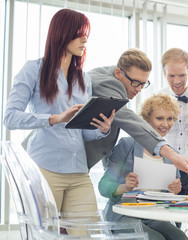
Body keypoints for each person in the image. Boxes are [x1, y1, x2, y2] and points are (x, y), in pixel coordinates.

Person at [3, 8, 114, 221]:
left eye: (86, 35)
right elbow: (10, 118)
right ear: (63, 33)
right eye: (80, 34)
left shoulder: (83, 79)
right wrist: (54, 119)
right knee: (46, 235)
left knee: (86, 234)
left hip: (79, 172)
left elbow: (82, 131)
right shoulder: (33, 70)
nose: (85, 40)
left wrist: (101, 129)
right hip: (45, 170)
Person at [85, 48, 188, 178]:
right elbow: (128, 119)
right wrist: (171, 153)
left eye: (143, 84)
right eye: (135, 83)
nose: (139, 89)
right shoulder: (106, 83)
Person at [98, 93, 188, 240]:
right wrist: (125, 187)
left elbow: (170, 197)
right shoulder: (127, 145)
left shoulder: (172, 154)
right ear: (147, 120)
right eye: (159, 118)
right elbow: (103, 186)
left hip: (154, 214)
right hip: (124, 213)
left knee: (181, 237)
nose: (165, 124)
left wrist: (175, 190)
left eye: (170, 118)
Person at [159, 48, 188, 240]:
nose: (177, 81)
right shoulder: (158, 99)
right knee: (171, 219)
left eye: (182, 75)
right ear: (164, 74)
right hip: (168, 166)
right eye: (171, 76)